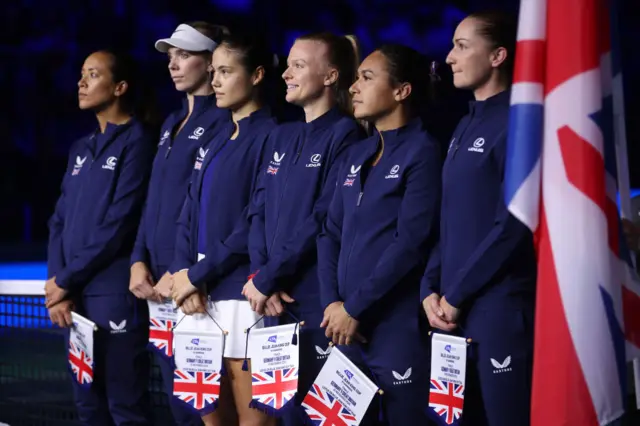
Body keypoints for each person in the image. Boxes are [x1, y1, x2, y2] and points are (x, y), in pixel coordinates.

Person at [241, 32, 365, 425]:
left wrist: (271, 277)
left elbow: (323, 219)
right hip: (272, 303)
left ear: (330, 76)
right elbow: (257, 210)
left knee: (315, 418)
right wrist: (262, 277)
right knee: (283, 415)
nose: (287, 75)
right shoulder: (282, 134)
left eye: (298, 66)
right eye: (288, 65)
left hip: (312, 302)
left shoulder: (345, 134)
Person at [420, 11, 536, 426]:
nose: (449, 57)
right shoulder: (463, 124)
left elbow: (515, 225)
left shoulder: (520, 122)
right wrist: (429, 287)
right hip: (450, 315)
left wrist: (457, 294)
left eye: (462, 46)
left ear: (498, 55)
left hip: (498, 311)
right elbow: (449, 221)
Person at [317, 44, 442, 425]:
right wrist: (332, 306)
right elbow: (329, 233)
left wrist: (356, 307)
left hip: (395, 327)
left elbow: (411, 243)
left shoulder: (424, 152)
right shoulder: (355, 154)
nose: (354, 87)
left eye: (367, 78)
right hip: (343, 328)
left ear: (402, 91)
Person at [162, 32, 279, 426]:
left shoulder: (272, 136)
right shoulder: (215, 137)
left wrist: (197, 275)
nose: (214, 81)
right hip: (196, 296)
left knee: (253, 422)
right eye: (213, 72)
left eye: (225, 72)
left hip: (239, 298)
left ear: (258, 75)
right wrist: (183, 276)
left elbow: (255, 221)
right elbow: (188, 210)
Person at [45, 49, 156, 425]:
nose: (81, 82)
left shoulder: (139, 142)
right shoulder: (81, 147)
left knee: (124, 407)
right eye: (81, 74)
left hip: (113, 297)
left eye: (92, 74)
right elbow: (57, 221)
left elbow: (119, 225)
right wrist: (58, 284)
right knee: (88, 408)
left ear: (120, 87)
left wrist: (65, 279)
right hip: (73, 301)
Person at [128, 21, 230, 426]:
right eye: (171, 56)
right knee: (176, 401)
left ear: (211, 62)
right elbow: (153, 200)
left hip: (190, 285)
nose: (173, 64)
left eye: (184, 55)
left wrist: (181, 269)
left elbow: (207, 210)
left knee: (201, 408)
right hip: (158, 289)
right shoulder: (171, 124)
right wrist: (138, 259)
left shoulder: (223, 122)